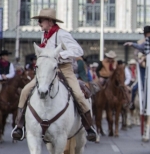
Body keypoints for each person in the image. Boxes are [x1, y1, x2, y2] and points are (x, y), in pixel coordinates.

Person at [11, 8, 97, 142]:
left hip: (64, 68)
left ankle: (89, 127)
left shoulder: (62, 34)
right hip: (48, 70)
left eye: (41, 20)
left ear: (50, 21)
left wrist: (60, 55)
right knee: (25, 91)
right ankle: (19, 126)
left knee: (79, 95)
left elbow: (78, 50)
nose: (39, 23)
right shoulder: (44, 35)